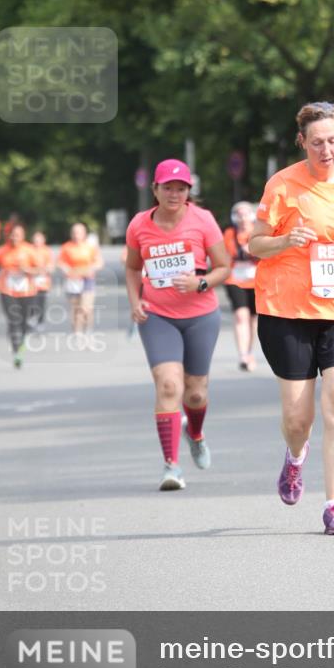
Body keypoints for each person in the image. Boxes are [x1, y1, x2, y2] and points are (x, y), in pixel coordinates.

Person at [248, 101, 334, 535]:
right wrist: (286, 239)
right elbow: (255, 244)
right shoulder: (283, 185)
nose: (326, 150)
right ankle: (294, 457)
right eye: (317, 142)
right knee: (297, 419)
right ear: (302, 141)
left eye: (333, 140)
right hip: (288, 308)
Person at [125, 159, 231, 491]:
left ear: (189, 191)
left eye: (181, 188)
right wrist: (134, 300)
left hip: (200, 314)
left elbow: (224, 267)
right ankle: (172, 466)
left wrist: (200, 283)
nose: (174, 194)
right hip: (158, 315)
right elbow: (131, 268)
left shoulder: (203, 220)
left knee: (196, 393)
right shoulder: (140, 225)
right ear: (154, 189)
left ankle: (195, 433)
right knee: (169, 386)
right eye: (168, 188)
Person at [0, 223, 38, 368]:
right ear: (9, 236)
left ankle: (22, 343)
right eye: (13, 235)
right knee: (13, 319)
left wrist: (28, 270)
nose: (15, 238)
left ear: (23, 236)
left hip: (27, 290)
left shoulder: (29, 250)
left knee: (24, 321)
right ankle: (16, 349)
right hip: (7, 290)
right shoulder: (3, 251)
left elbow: (40, 269)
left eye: (18, 235)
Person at [223, 201, 259, 371]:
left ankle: (249, 351)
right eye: (239, 214)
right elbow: (225, 254)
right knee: (240, 316)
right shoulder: (229, 234)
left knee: (253, 319)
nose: (243, 218)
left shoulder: (259, 232)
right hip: (235, 279)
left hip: (257, 280)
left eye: (245, 214)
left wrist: (254, 249)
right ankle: (243, 354)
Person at [57, 222, 104, 339]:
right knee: (75, 308)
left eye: (79, 232)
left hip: (87, 280)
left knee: (86, 307)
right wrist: (66, 269)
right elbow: (59, 262)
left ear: (84, 234)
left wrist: (92, 268)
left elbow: (99, 262)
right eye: (74, 232)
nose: (76, 235)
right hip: (72, 281)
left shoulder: (90, 247)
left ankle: (88, 329)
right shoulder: (66, 247)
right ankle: (77, 332)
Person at [29, 230, 55, 330]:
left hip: (43, 282)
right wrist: (34, 270)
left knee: (41, 302)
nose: (37, 242)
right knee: (32, 302)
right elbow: (25, 265)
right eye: (35, 240)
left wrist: (45, 269)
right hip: (31, 282)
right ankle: (31, 317)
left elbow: (51, 266)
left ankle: (40, 321)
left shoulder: (46, 251)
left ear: (43, 240)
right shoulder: (29, 250)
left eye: (39, 240)